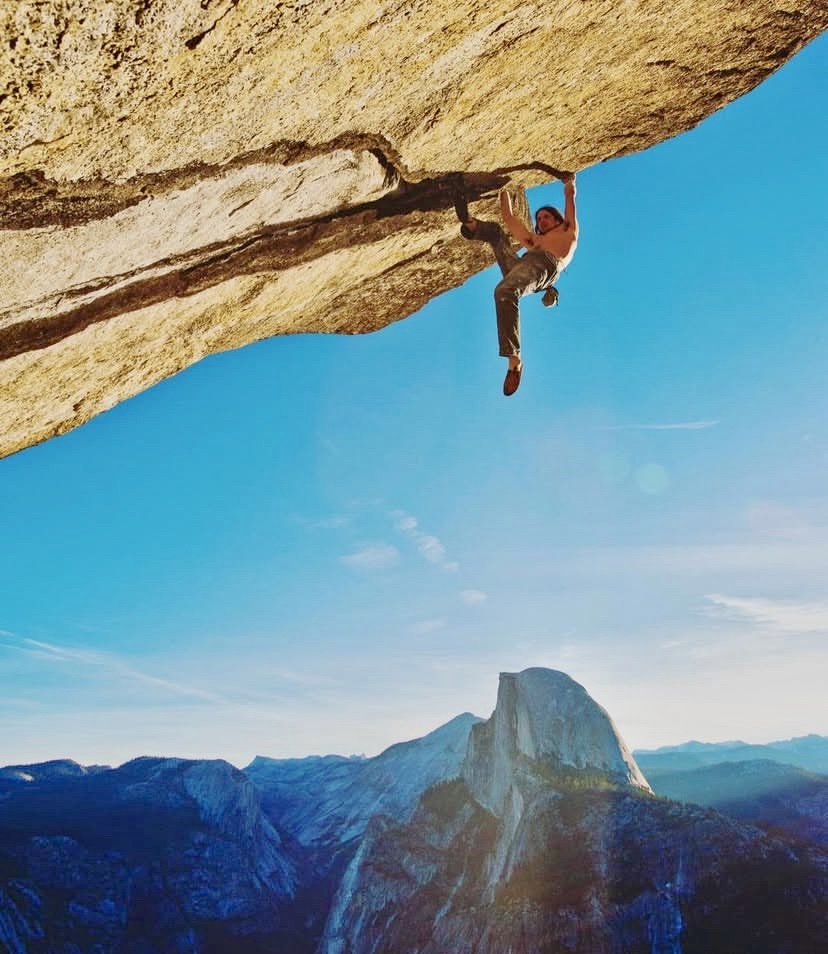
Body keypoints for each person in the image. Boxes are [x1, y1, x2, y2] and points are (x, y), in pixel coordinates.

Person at [456, 174, 578, 395]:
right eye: (538, 219)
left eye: (546, 217)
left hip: (544, 267)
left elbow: (570, 200)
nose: (541, 221)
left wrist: (570, 184)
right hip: (522, 265)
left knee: (505, 290)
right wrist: (504, 189)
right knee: (495, 233)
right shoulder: (534, 241)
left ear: (557, 220)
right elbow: (509, 218)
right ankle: (470, 224)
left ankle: (514, 359)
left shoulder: (568, 230)